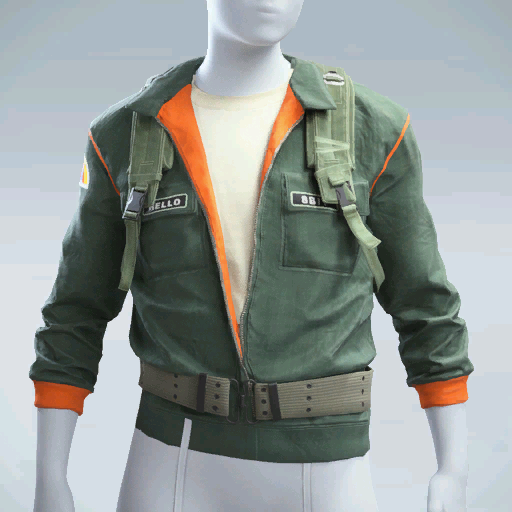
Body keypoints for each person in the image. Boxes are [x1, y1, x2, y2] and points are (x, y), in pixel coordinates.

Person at [31, 1, 473, 511]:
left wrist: (453, 469)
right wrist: (50, 477)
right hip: (170, 463)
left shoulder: (372, 130)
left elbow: (425, 305)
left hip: (326, 473)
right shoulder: (125, 136)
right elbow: (74, 313)